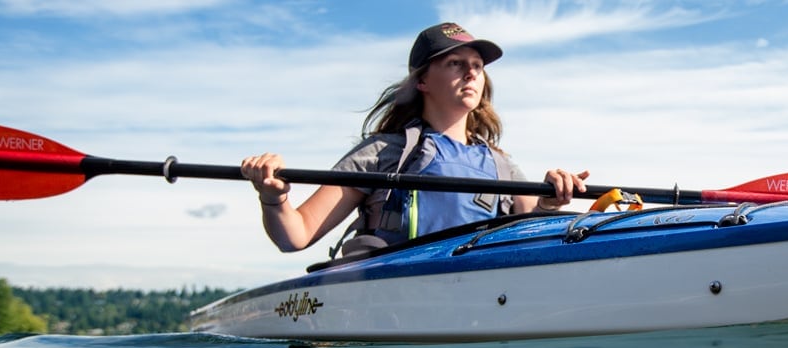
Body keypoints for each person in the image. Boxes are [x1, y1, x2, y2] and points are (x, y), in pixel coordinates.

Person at [242, 22, 589, 255]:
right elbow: (296, 235)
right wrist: (274, 198)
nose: (471, 72)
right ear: (422, 81)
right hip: (389, 293)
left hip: (476, 293)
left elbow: (532, 233)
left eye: (477, 66)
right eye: (455, 63)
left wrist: (552, 201)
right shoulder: (383, 154)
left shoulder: (501, 166)